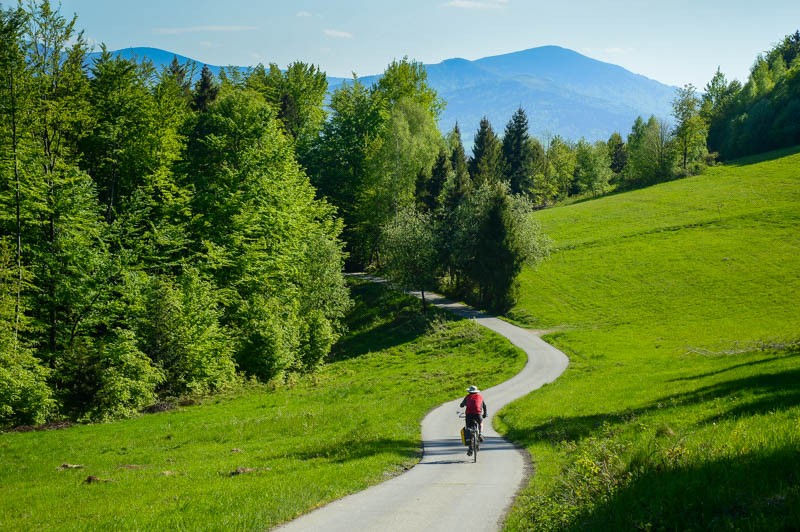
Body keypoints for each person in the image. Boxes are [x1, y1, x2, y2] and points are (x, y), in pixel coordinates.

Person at [460, 385, 487, 454]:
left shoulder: (467, 397)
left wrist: (462, 405)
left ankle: (470, 449)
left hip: (469, 415)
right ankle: (480, 434)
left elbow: (462, 404)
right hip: (478, 414)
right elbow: (484, 406)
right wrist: (485, 414)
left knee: (468, 429)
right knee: (480, 422)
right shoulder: (480, 397)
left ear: (469, 391)